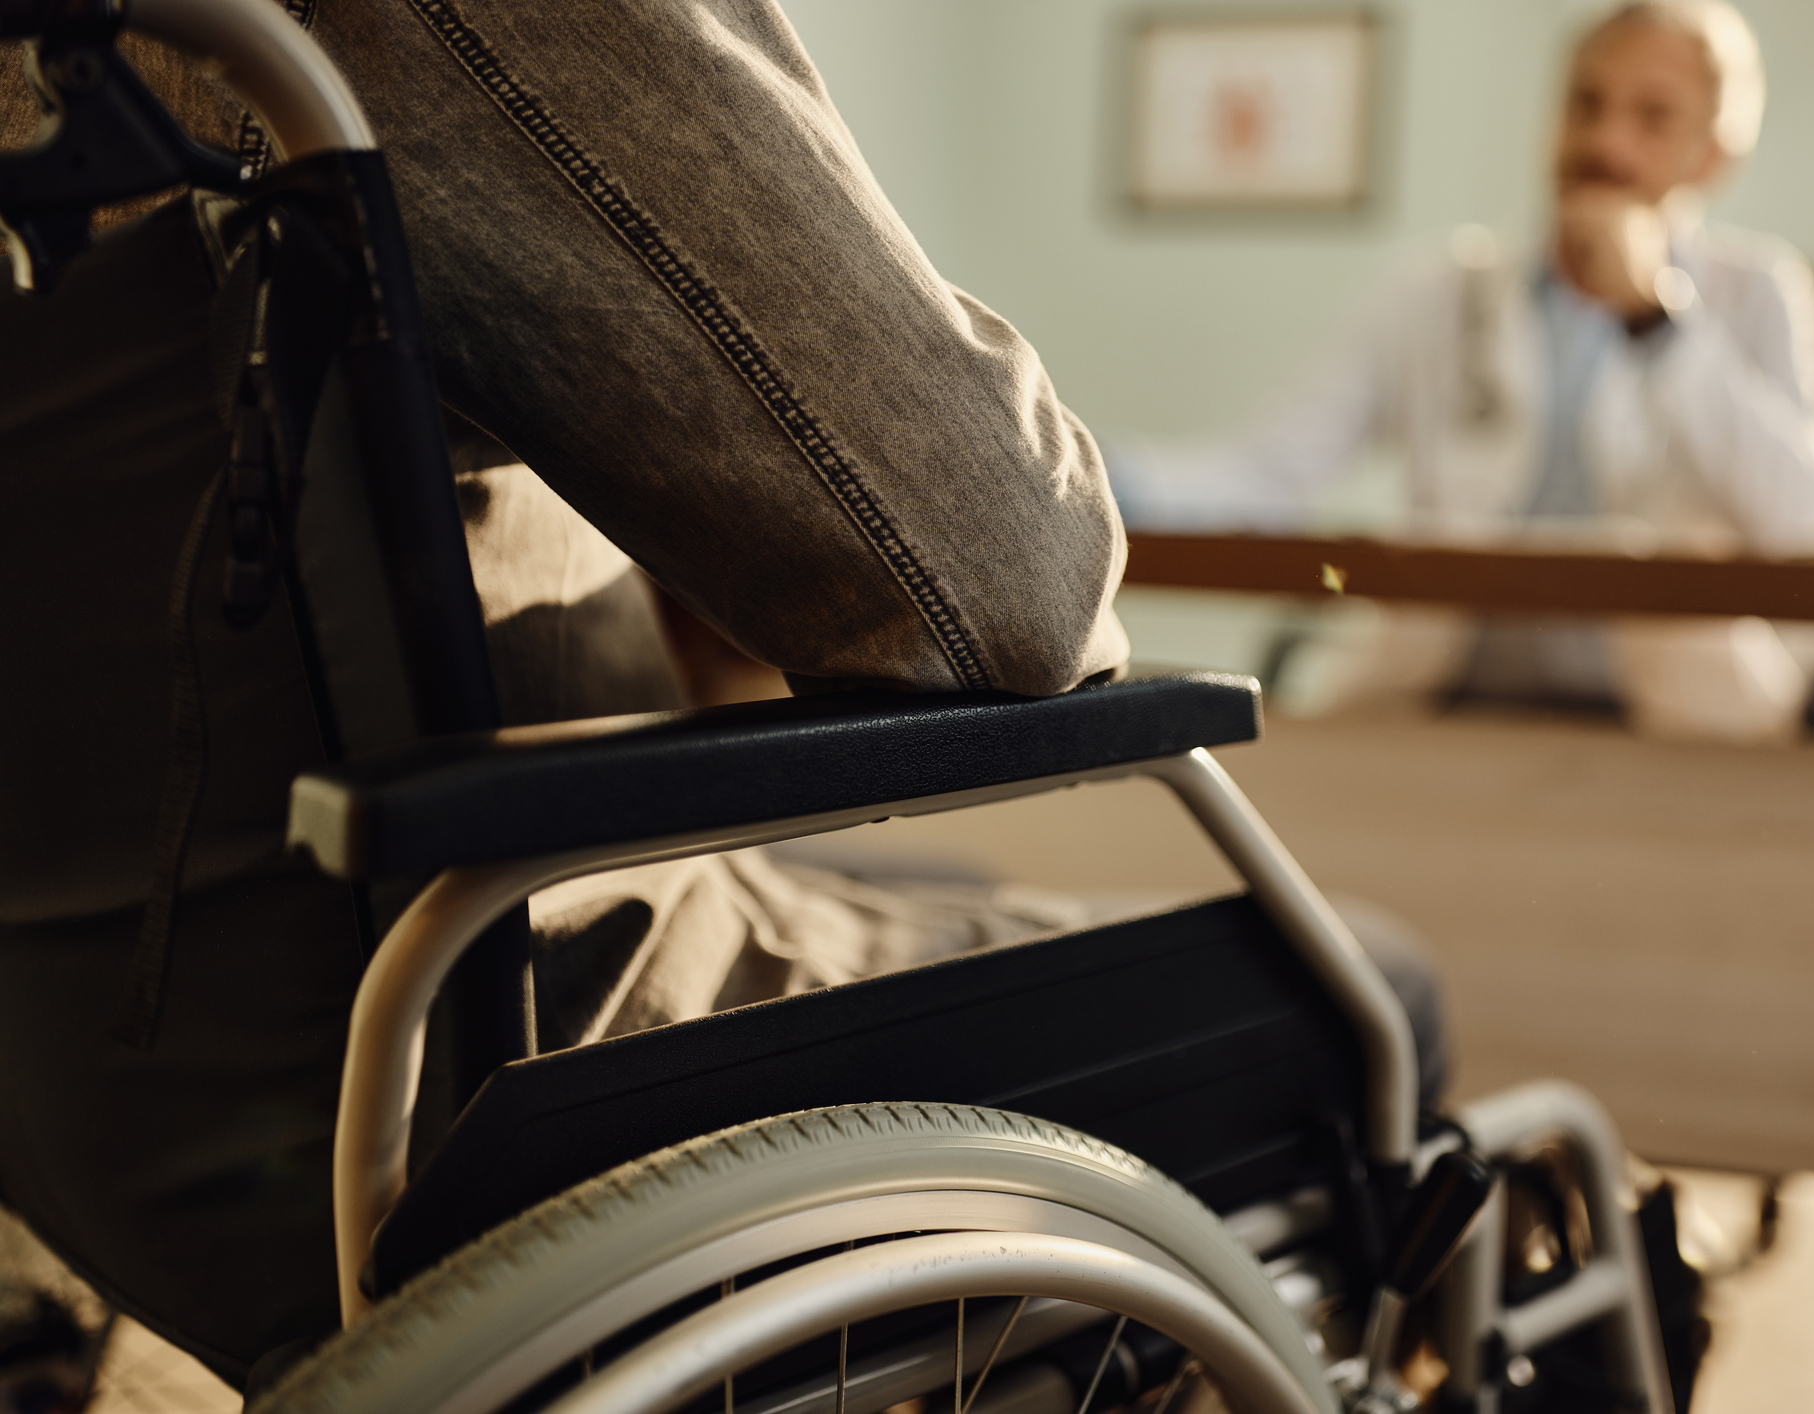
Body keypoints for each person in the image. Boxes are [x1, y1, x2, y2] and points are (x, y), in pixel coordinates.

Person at [0, 0, 1447, 1391]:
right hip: (463, 1064)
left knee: (941, 869)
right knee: (1374, 983)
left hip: (76, 1082)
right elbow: (1008, 592)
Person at [1112, 0, 1814, 742]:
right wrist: (1103, 480)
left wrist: (1655, 320)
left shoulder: (1756, 293)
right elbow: (1268, 473)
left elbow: (1804, 518)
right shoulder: (1435, 293)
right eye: (1585, 104)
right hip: (1448, 710)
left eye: (1652, 117)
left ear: (1711, 157)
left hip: (1677, 734)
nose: (1604, 142)